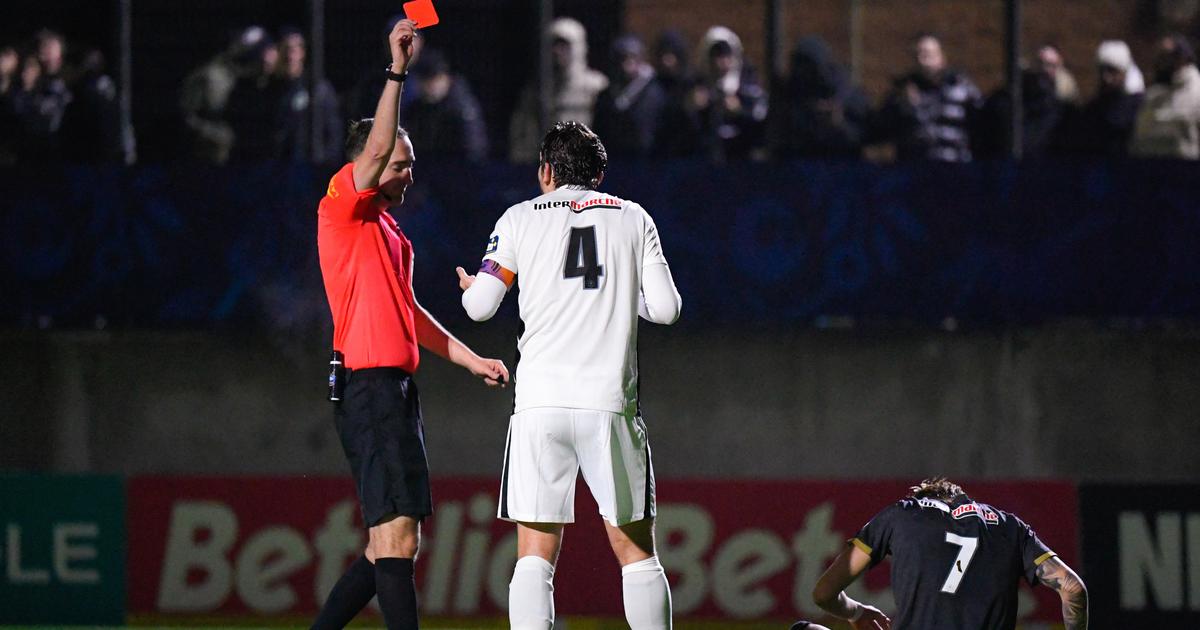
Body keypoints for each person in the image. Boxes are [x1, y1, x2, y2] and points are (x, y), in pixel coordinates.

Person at [312, 19, 509, 630]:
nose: (407, 173)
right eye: (399, 163)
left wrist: (471, 358)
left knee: (390, 548)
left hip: (393, 390)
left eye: (412, 163)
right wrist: (397, 69)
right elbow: (373, 152)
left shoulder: (389, 232)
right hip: (369, 387)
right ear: (365, 165)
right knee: (395, 544)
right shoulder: (341, 206)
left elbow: (410, 315)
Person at [457, 121, 681, 630]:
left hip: (539, 405)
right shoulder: (633, 218)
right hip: (609, 405)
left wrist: (472, 285)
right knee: (636, 554)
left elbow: (480, 308)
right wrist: (621, 296)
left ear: (545, 172)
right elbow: (666, 310)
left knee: (534, 555)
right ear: (600, 174)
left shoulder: (518, 219)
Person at [804, 478, 1088, 630]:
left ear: (924, 498)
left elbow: (823, 594)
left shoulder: (900, 516)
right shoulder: (1010, 527)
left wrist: (858, 613)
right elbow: (1073, 588)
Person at [508, 17, 608, 162]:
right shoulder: (537, 90)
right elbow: (523, 135)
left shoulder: (597, 86)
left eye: (564, 45)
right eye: (553, 45)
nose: (557, 51)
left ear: (579, 46)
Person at [875, 34, 981, 162]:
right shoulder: (902, 92)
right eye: (917, 55)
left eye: (928, 54)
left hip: (955, 165)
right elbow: (882, 129)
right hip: (915, 169)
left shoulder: (961, 87)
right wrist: (905, 107)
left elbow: (980, 123)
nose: (922, 60)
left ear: (941, 56)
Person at [774, 36, 870, 159]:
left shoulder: (846, 94)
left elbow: (865, 136)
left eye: (807, 65)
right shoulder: (790, 94)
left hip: (841, 165)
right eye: (799, 64)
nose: (802, 72)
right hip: (799, 164)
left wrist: (838, 124)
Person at [691, 26, 768, 161]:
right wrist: (693, 109)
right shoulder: (698, 89)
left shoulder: (749, 87)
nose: (722, 62)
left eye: (726, 55)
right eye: (716, 56)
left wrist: (739, 112)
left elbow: (762, 129)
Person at [1056, 40, 1144, 157]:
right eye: (1103, 70)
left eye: (1113, 71)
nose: (1106, 78)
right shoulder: (1094, 109)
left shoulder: (1137, 107)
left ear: (1124, 73)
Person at [402, 48, 489, 162]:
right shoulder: (416, 107)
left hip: (461, 170)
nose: (431, 87)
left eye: (435, 79)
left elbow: (475, 148)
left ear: (446, 78)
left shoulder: (461, 105)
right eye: (425, 81)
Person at [274, 27, 342, 163]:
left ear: (303, 53)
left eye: (295, 50)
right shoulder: (272, 89)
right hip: (278, 169)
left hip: (309, 169)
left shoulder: (317, 89)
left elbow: (334, 134)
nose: (290, 56)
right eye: (285, 49)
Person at [593, 35, 666, 157]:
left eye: (632, 58)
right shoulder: (606, 96)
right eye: (622, 59)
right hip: (614, 161)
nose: (627, 65)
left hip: (648, 163)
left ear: (641, 60)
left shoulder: (655, 93)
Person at [1130, 34, 1200, 159]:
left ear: (1181, 59)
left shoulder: (1196, 92)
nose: (1159, 62)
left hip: (1185, 171)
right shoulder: (1153, 95)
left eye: (1165, 57)